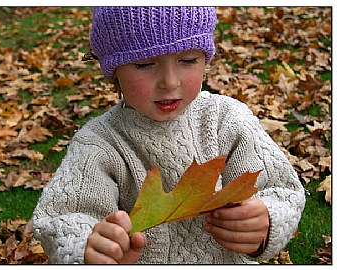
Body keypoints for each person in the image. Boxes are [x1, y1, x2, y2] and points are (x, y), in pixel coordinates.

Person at [32, 7, 305, 264]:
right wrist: (89, 247)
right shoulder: (99, 143)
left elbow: (282, 189)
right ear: (113, 71)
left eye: (187, 60)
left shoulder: (227, 120)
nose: (170, 82)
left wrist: (267, 219)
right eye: (144, 64)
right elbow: (62, 216)